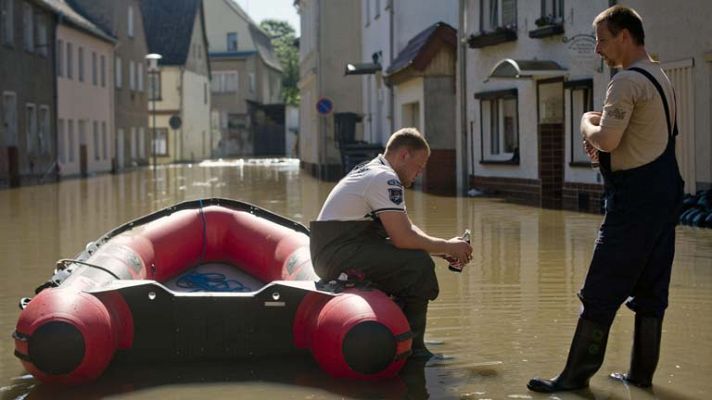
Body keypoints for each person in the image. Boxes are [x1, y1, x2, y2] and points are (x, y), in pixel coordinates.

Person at [528, 5, 684, 393]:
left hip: (633, 204)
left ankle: (573, 380)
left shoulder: (627, 81)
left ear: (624, 37)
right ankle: (641, 378)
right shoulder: (660, 76)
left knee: (599, 292)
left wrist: (585, 121)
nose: (597, 49)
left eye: (601, 39)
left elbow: (608, 141)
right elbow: (640, 137)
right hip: (665, 196)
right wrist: (607, 129)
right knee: (651, 294)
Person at [309, 127, 473, 359]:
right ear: (404, 155)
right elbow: (403, 238)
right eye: (419, 166)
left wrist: (444, 248)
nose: (419, 174)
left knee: (413, 258)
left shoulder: (375, 171)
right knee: (417, 265)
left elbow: (405, 228)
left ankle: (396, 331)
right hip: (337, 254)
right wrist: (447, 246)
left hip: (333, 250)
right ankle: (415, 349)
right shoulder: (385, 178)